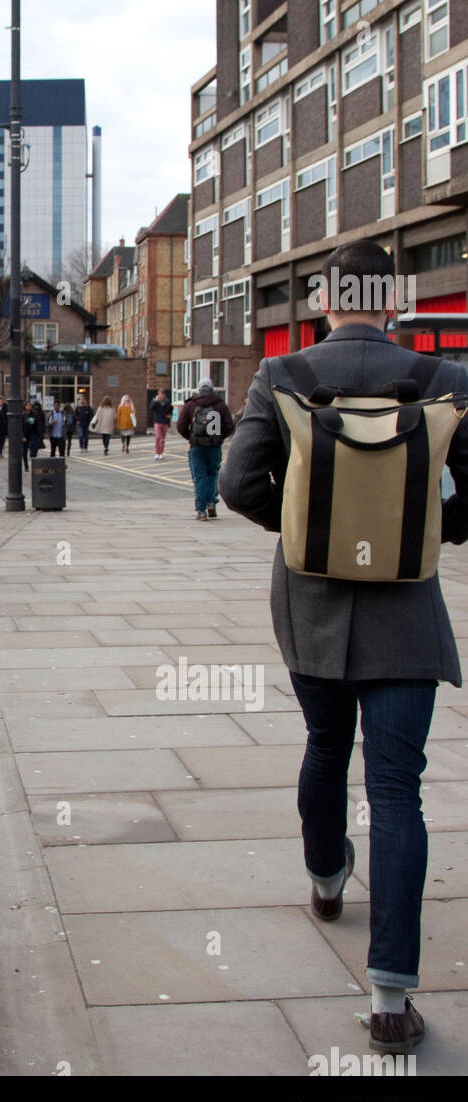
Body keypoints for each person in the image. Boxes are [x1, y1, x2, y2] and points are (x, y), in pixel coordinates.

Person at [220, 240, 468, 1056]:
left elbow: (236, 485)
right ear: (391, 301)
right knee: (398, 788)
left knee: (325, 744)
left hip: (311, 602)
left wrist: (302, 532)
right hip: (404, 607)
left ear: (324, 301)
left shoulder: (282, 376)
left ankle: (326, 878)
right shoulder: (444, 382)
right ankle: (391, 995)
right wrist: (425, 528)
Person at [177, 378, 234, 519]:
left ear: (199, 389)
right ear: (211, 389)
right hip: (214, 446)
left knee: (199, 477)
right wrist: (219, 438)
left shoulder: (190, 404)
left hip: (196, 446)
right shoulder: (220, 405)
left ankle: (201, 510)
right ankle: (211, 503)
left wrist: (191, 438)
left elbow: (181, 426)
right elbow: (229, 425)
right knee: (212, 475)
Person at [149, 387, 173, 460]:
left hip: (165, 421)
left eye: (161, 394)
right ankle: (157, 453)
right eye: (159, 394)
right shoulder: (155, 400)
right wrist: (155, 401)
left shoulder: (167, 401)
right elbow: (151, 408)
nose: (160, 396)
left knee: (162, 439)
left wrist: (169, 414)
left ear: (164, 395)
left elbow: (169, 409)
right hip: (157, 421)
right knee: (158, 437)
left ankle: (161, 453)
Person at [22, 399, 44, 470]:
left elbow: (38, 424)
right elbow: (20, 426)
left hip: (33, 433)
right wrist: (22, 436)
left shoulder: (34, 414)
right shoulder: (22, 415)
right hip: (25, 434)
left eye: (30, 405)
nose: (29, 406)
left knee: (34, 447)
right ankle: (26, 465)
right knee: (24, 451)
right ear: (25, 406)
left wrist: (40, 434)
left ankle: (33, 460)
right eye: (28, 405)